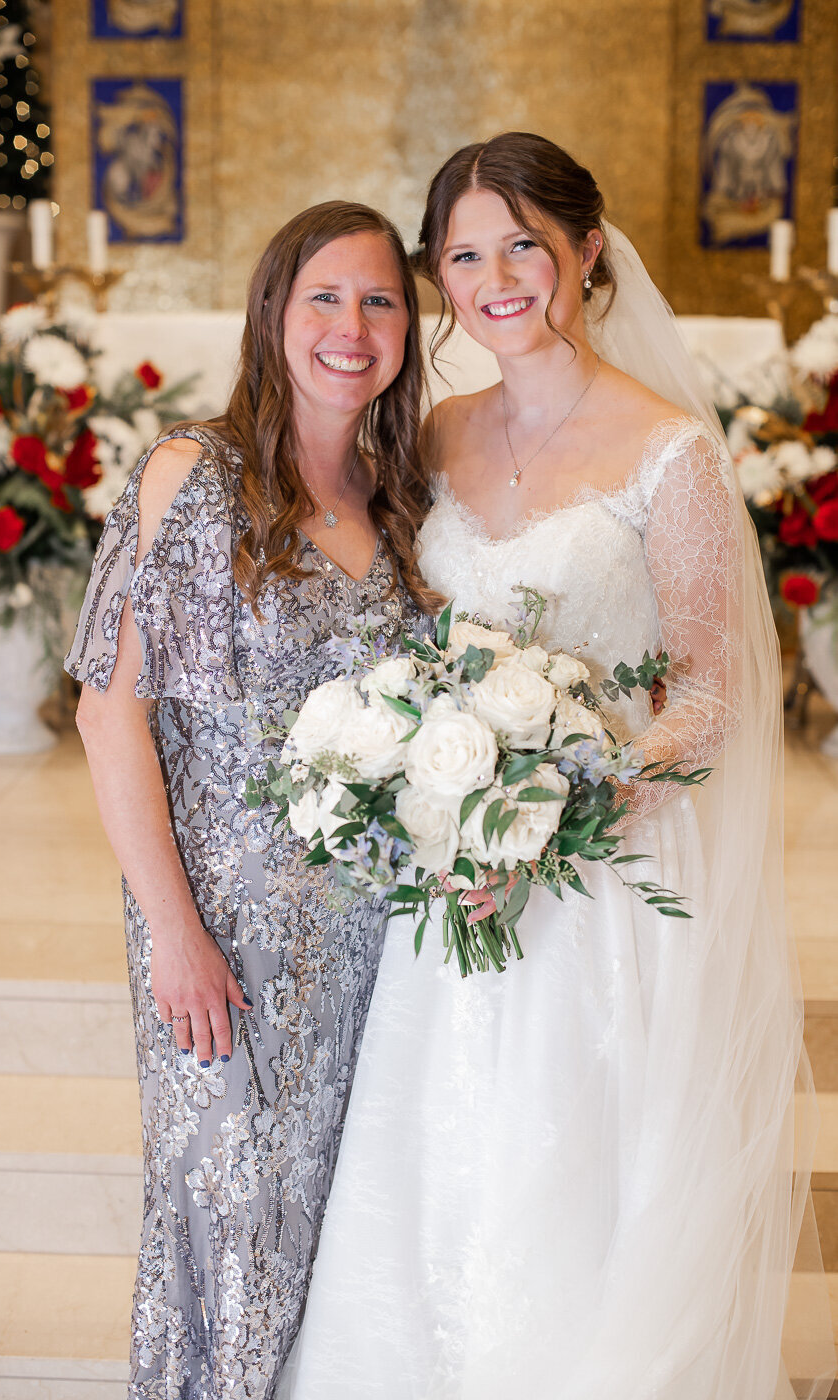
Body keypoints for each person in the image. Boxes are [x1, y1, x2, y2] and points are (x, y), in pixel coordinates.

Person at [279, 134, 834, 1400]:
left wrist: (567, 794)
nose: (497, 276)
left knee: (566, 1164)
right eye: (465, 253)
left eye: (524, 241)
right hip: (454, 870)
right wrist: (423, 777)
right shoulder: (428, 436)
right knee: (439, 1160)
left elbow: (711, 688)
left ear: (586, 249)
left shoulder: (668, 450)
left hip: (596, 877)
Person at [66, 199, 438, 1400]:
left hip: (368, 948)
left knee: (332, 1241)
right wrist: (175, 931)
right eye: (323, 296)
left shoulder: (400, 505)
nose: (352, 325)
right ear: (273, 312)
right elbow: (107, 708)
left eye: (380, 299)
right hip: (217, 936)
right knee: (227, 1224)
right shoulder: (194, 473)